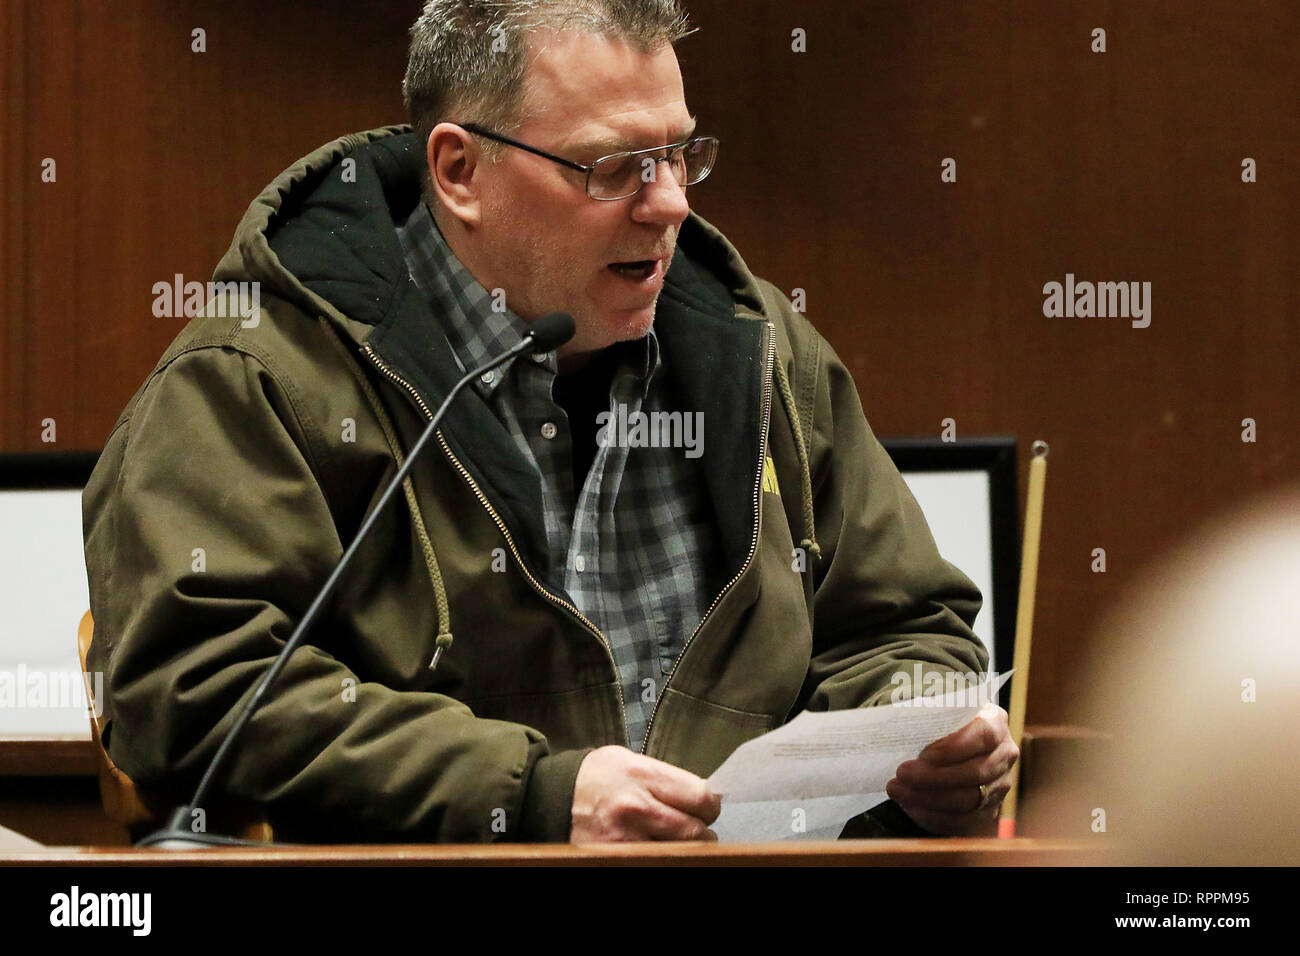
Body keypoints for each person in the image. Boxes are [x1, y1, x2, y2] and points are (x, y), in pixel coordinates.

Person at [82, 0, 1017, 843]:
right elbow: (195, 688)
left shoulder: (758, 345)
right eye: (616, 168)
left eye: (682, 155)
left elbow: (906, 627)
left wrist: (924, 738)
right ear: (460, 170)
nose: (672, 204)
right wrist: (529, 792)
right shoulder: (262, 377)